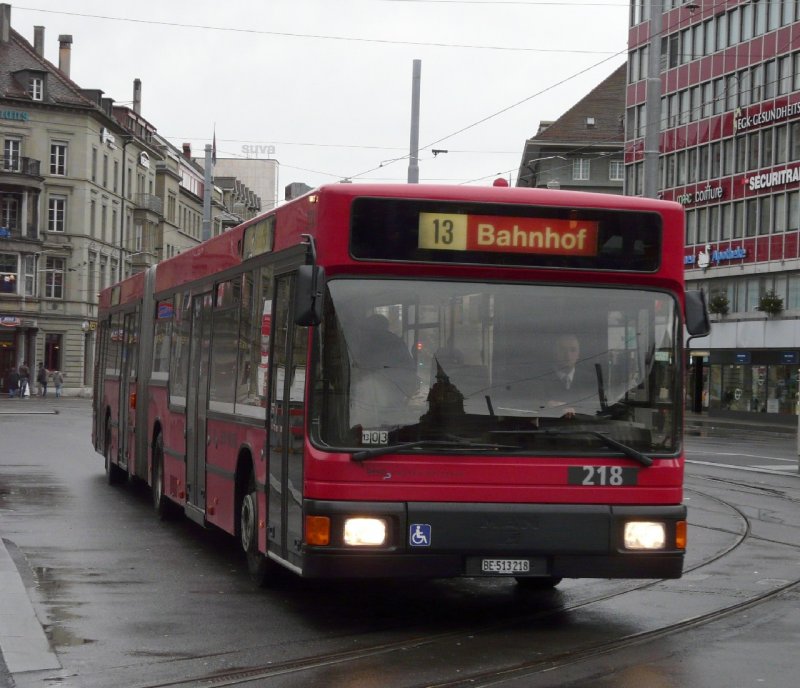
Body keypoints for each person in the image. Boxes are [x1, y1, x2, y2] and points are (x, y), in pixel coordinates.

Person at [537, 334, 597, 419]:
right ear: (554, 353)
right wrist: (547, 405)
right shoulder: (539, 379)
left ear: (578, 355)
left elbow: (594, 410)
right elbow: (534, 407)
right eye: (562, 350)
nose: (567, 355)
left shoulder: (590, 380)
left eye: (573, 350)